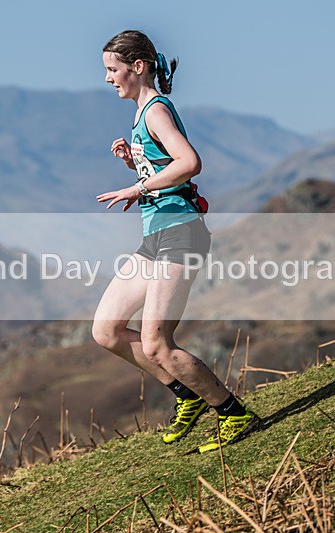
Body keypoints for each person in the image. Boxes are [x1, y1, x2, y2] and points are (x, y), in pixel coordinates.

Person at [92, 30, 259, 453]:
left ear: (138, 67)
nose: (108, 78)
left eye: (112, 69)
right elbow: (166, 170)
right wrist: (134, 165)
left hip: (181, 233)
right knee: (106, 330)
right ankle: (187, 393)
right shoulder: (142, 113)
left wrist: (136, 188)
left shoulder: (155, 111)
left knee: (156, 344)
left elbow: (189, 162)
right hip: (156, 237)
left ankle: (233, 413)